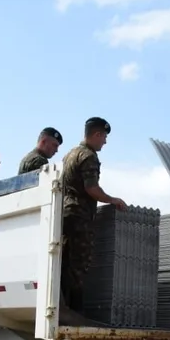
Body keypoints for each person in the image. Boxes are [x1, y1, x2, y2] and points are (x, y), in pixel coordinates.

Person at [59, 117, 127, 311]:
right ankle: (75, 313)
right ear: (97, 134)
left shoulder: (71, 154)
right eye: (104, 137)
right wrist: (112, 199)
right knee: (79, 266)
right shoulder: (88, 156)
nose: (104, 142)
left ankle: (63, 309)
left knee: (64, 263)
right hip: (80, 217)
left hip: (66, 214)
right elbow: (91, 188)